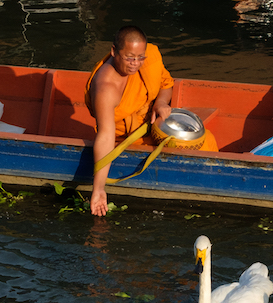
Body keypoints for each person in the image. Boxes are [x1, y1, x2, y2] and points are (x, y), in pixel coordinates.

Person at [86, 26, 213, 217]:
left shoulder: (151, 55)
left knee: (205, 140)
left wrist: (161, 103)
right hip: (128, 139)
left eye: (140, 57)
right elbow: (105, 136)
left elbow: (166, 84)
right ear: (114, 51)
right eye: (129, 58)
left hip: (155, 126)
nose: (135, 64)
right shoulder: (106, 89)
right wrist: (99, 188)